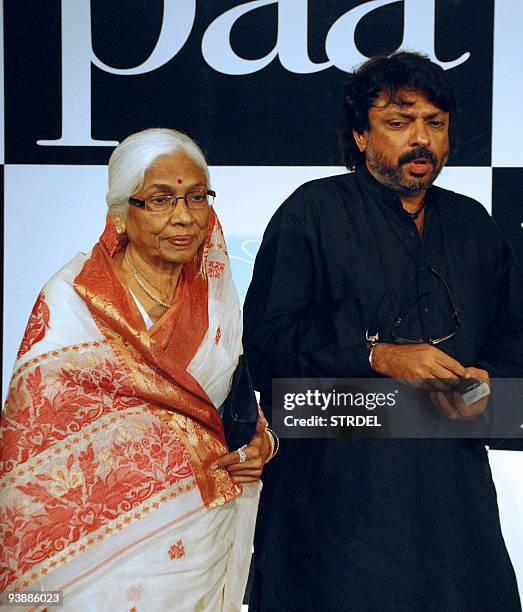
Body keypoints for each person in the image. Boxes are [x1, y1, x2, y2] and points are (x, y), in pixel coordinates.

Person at [244, 52, 523, 611]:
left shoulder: (473, 224)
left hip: (450, 504)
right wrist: (378, 358)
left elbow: (513, 337)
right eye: (399, 124)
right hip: (334, 505)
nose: (420, 139)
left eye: (435, 124)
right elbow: (266, 345)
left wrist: (487, 383)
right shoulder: (312, 212)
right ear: (361, 136)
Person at [0, 128, 274, 611]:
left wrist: (259, 445)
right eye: (161, 200)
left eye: (196, 197)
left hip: (198, 534)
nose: (184, 217)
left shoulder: (217, 294)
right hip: (91, 549)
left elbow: (235, 402)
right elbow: (33, 440)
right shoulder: (72, 302)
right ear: (121, 213)